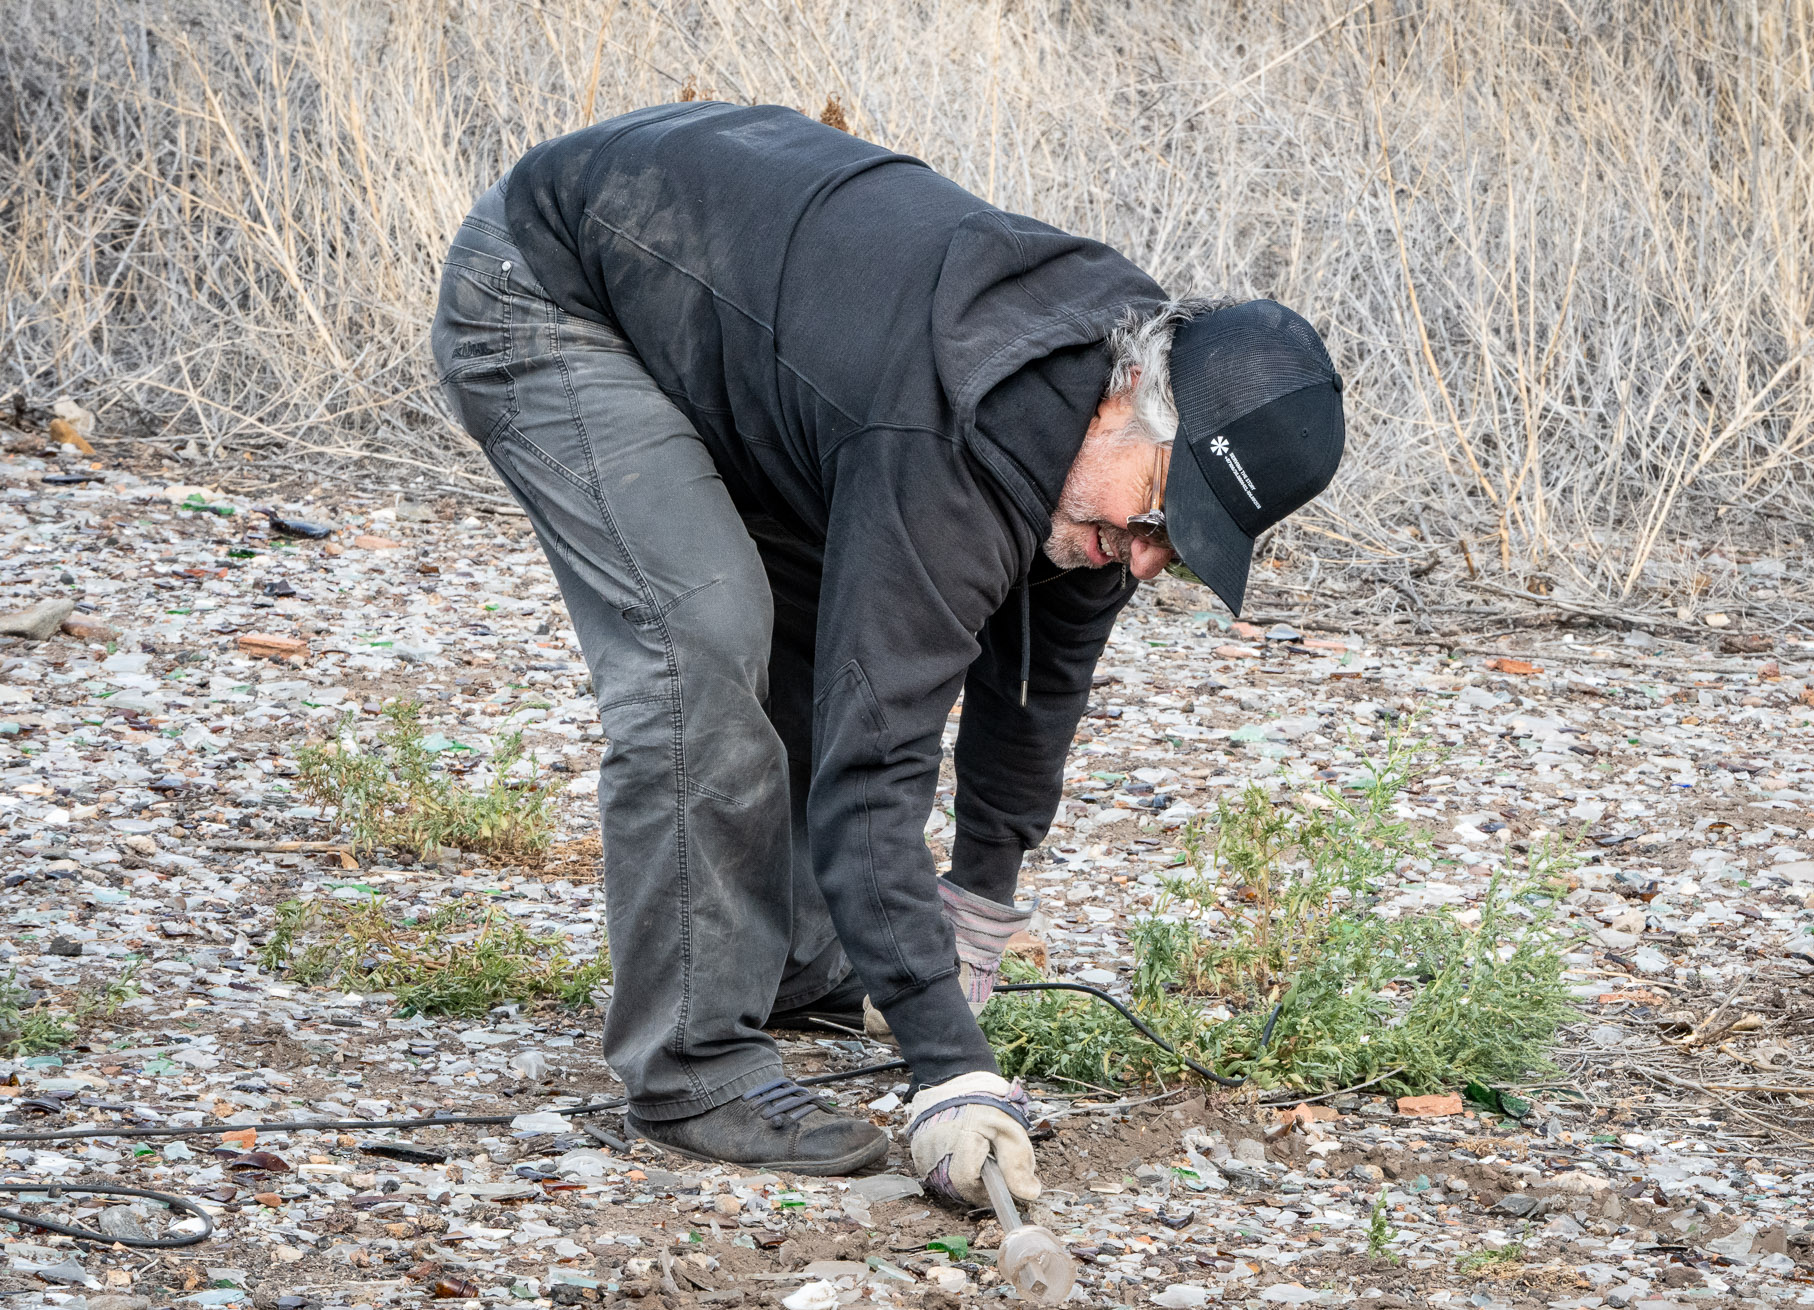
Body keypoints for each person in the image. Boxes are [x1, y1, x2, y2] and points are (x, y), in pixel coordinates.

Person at [430, 101, 1344, 1203]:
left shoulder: (1102, 460)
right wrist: (952, 1071)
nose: (1144, 561)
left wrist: (972, 914)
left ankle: (792, 967)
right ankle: (691, 1067)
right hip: (556, 288)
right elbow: (879, 765)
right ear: (1125, 398)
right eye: (1157, 517)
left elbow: (1030, 694)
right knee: (705, 645)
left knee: (823, 634)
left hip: (771, 355)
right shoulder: (952, 438)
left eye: (1181, 550)